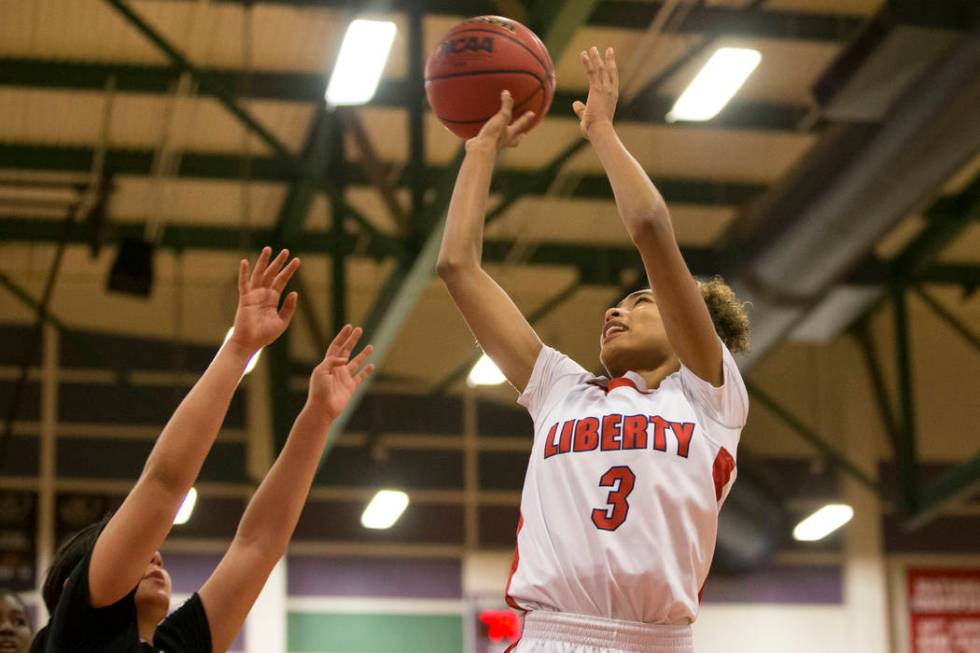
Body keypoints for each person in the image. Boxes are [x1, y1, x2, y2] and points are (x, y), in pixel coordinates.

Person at [437, 47, 751, 653]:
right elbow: (457, 266)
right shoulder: (562, 390)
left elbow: (652, 229)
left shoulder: (710, 400)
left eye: (640, 302)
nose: (615, 310)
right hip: (550, 635)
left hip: (652, 641)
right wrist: (478, 153)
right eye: (618, 304)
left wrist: (601, 131)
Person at [31, 247, 374, 652]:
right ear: (75, 589)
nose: (155, 555)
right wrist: (238, 348)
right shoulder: (79, 635)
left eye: (150, 550)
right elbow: (163, 484)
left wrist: (317, 417)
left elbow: (259, 545)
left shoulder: (174, 646)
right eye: (138, 549)